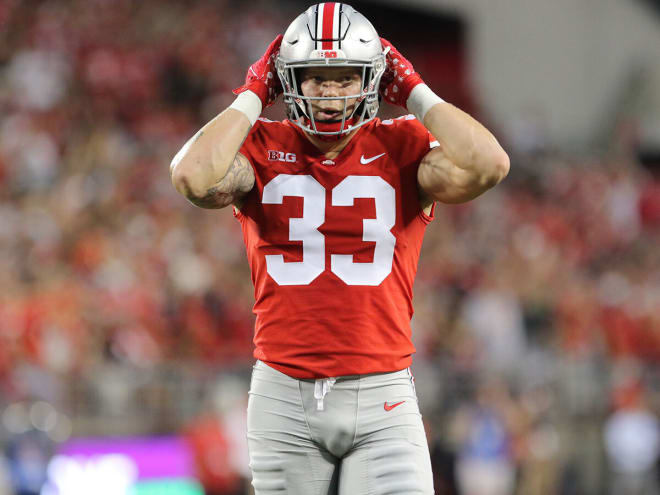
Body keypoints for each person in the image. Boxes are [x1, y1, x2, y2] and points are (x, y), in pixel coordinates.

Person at [170, 3, 509, 494]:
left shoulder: (403, 145)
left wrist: (414, 90)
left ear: (373, 79)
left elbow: (489, 165)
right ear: (289, 81)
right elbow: (192, 176)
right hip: (283, 393)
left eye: (345, 77)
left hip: (382, 389)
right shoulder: (261, 146)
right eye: (315, 77)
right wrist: (251, 94)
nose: (330, 93)